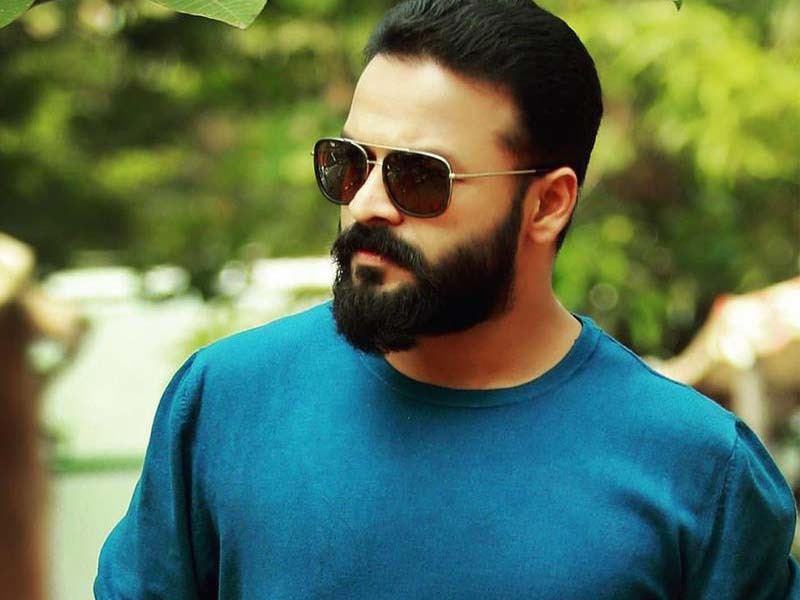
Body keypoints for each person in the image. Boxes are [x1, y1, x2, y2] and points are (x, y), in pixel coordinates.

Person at [95, 1, 799, 597]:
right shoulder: (225, 403)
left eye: (418, 177)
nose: (366, 204)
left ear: (548, 204)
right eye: (347, 163)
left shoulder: (699, 471)